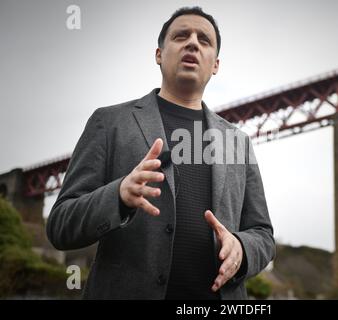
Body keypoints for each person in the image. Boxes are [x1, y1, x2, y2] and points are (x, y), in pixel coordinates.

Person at [46, 6, 275, 300]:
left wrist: (242, 250)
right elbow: (61, 225)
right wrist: (118, 196)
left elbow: (263, 235)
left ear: (215, 65)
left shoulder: (238, 142)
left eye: (204, 40)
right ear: (158, 54)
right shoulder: (109, 122)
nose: (193, 42)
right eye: (181, 36)